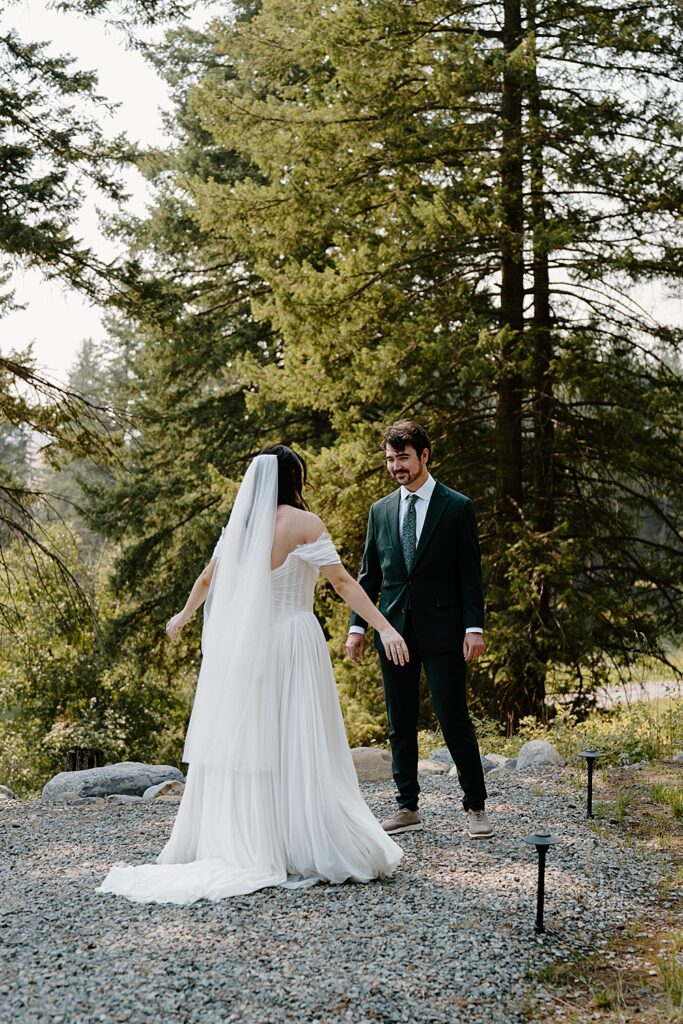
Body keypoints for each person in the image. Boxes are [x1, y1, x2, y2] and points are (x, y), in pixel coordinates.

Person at [96, 446, 408, 905]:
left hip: (252, 648)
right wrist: (383, 627)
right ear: (295, 480)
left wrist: (183, 616)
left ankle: (255, 837)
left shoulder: (240, 528)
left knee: (257, 743)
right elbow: (342, 582)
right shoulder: (306, 524)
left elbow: (207, 580)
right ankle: (301, 839)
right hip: (295, 642)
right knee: (298, 740)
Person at [346, 421, 492, 839]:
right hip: (393, 631)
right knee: (400, 722)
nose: (397, 467)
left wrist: (473, 627)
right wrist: (358, 627)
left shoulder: (457, 506)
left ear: (424, 455)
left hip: (446, 631)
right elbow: (368, 576)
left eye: (404, 458)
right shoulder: (380, 510)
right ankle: (407, 806)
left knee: (453, 718)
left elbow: (470, 575)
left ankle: (476, 807)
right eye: (391, 460)